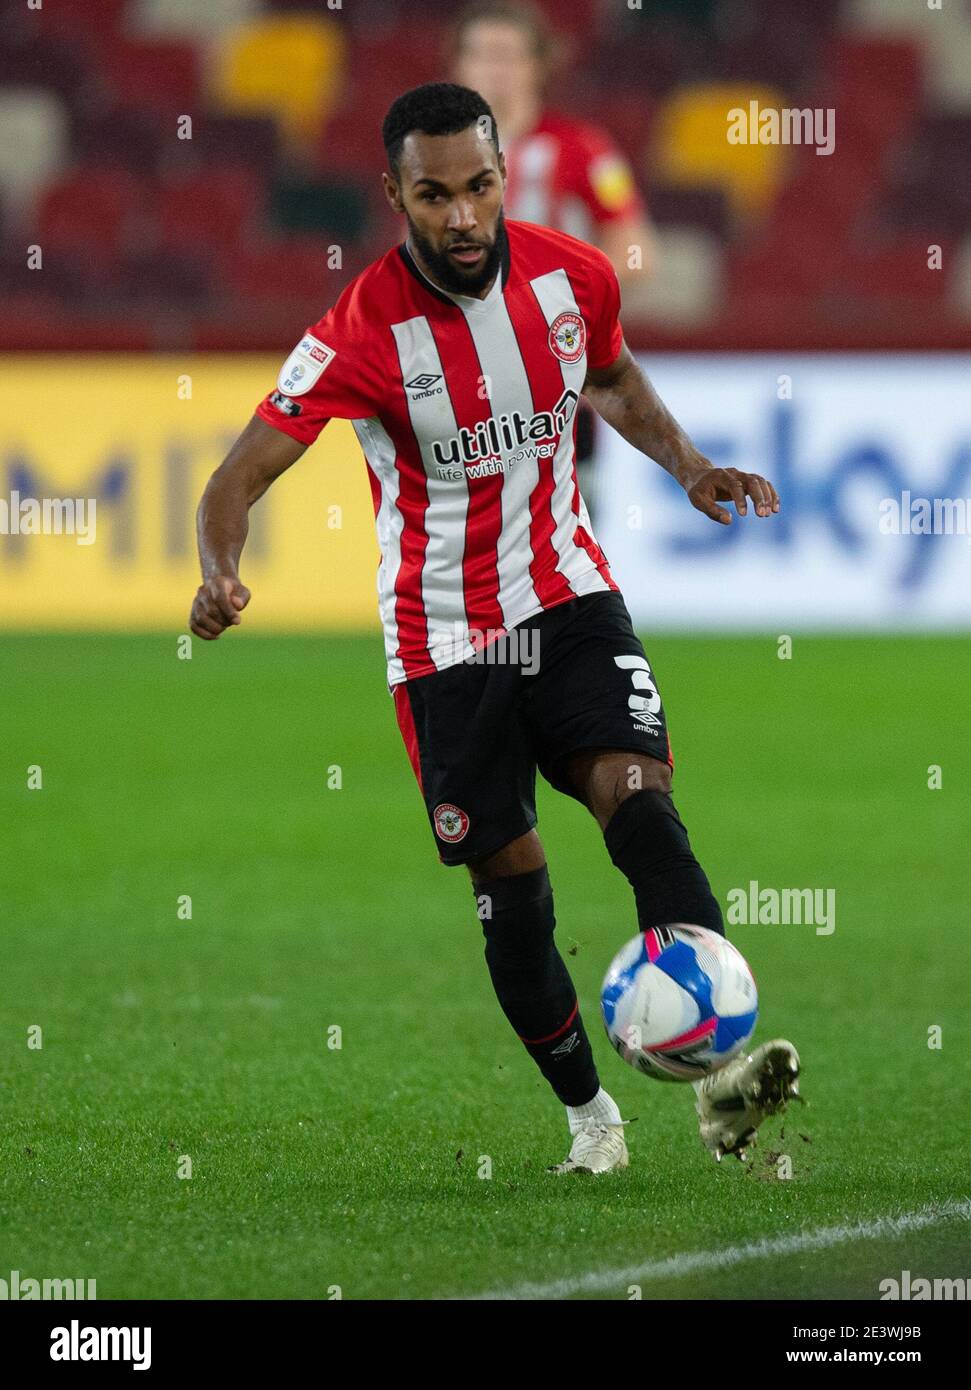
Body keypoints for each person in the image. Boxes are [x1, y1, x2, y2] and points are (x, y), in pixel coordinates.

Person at [191, 84, 799, 1174]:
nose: (463, 217)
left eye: (478, 187)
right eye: (434, 196)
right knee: (511, 887)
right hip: (444, 646)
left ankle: (717, 1080)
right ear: (393, 194)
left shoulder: (575, 276)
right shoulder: (353, 334)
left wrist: (693, 465)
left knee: (642, 807)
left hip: (568, 599)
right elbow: (237, 475)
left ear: (501, 173)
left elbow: (609, 378)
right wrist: (218, 572)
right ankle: (590, 1119)